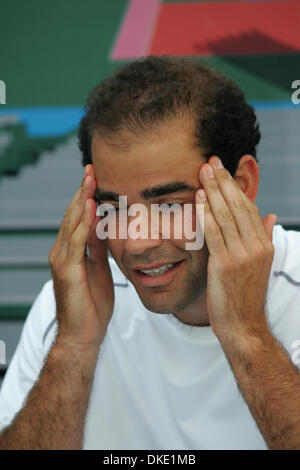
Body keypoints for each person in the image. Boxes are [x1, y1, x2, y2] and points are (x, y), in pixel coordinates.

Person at [0, 55, 300, 450]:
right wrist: (74, 348)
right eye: (114, 208)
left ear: (241, 185)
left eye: (169, 206)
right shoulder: (71, 305)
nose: (136, 242)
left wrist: (247, 335)